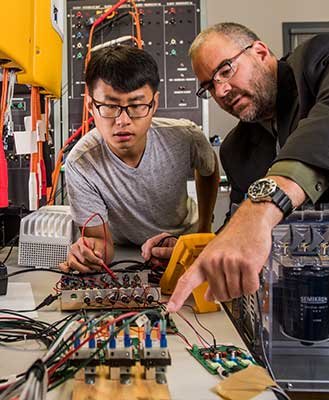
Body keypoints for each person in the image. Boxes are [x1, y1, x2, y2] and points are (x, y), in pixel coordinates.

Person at [160, 22, 329, 312]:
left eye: (226, 70)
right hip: (314, 307)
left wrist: (265, 202)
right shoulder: (237, 150)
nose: (221, 90)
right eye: (210, 86)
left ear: (260, 52)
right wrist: (201, 249)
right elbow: (241, 227)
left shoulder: (326, 58)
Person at [59, 45, 219, 273]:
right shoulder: (82, 164)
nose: (122, 120)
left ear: (154, 104)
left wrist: (204, 228)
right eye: (109, 106)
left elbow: (209, 167)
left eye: (135, 106)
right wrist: (90, 252)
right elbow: (101, 241)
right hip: (125, 251)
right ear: (90, 105)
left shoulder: (186, 137)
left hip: (183, 241)